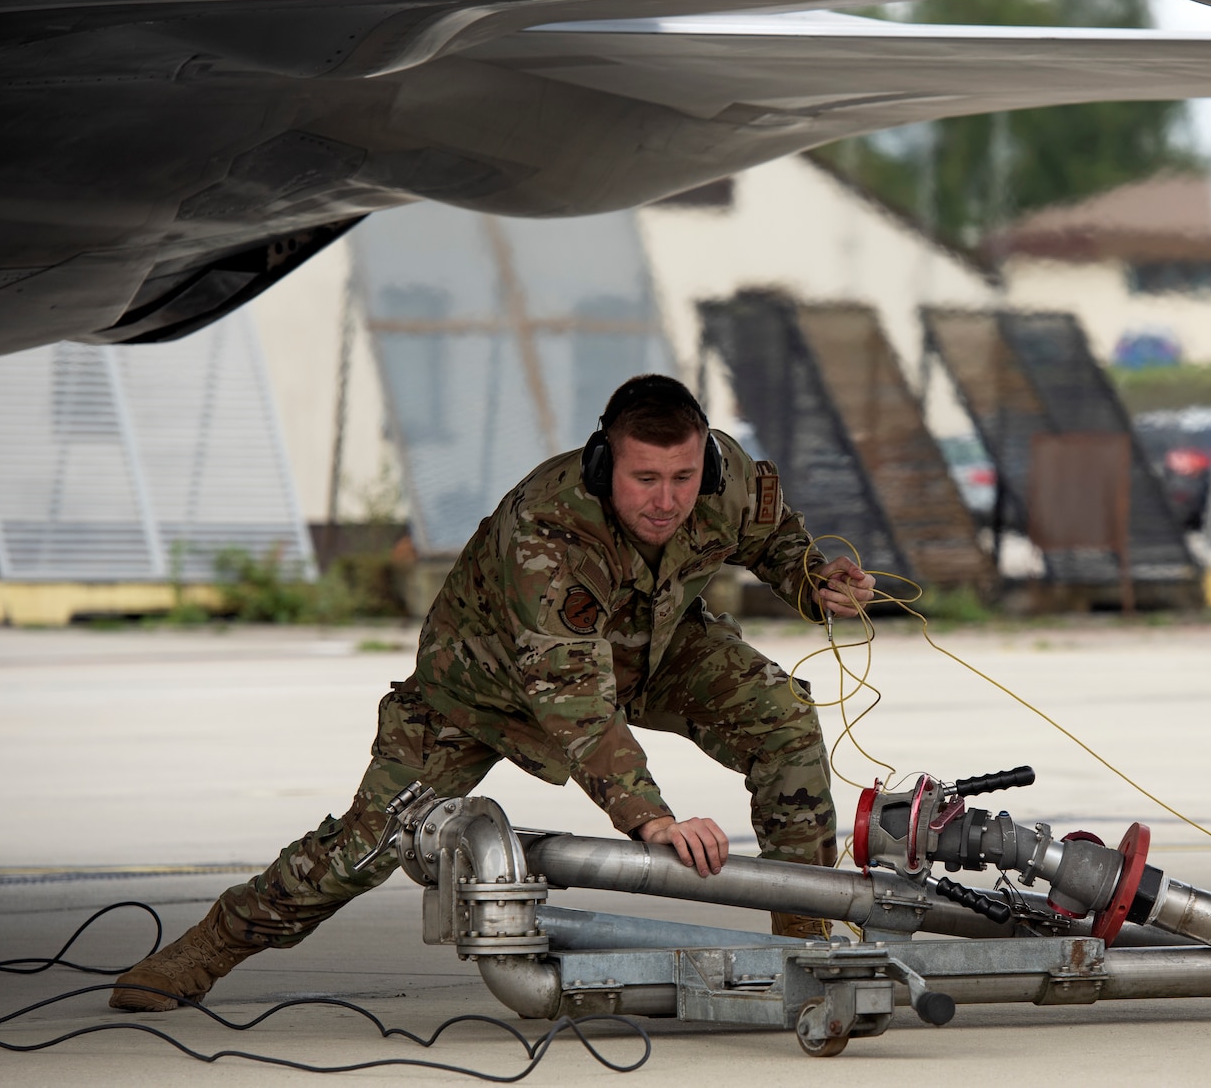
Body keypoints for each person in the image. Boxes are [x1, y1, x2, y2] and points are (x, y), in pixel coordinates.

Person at [111, 374, 874, 1012]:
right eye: (645, 478)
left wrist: (817, 584)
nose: (667, 499)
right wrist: (652, 819)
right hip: (483, 686)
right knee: (364, 846)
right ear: (604, 462)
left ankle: (801, 951)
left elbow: (772, 541)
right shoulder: (545, 530)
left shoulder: (723, 475)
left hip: (651, 646)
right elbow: (573, 700)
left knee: (783, 717)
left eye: (681, 478)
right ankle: (208, 945)